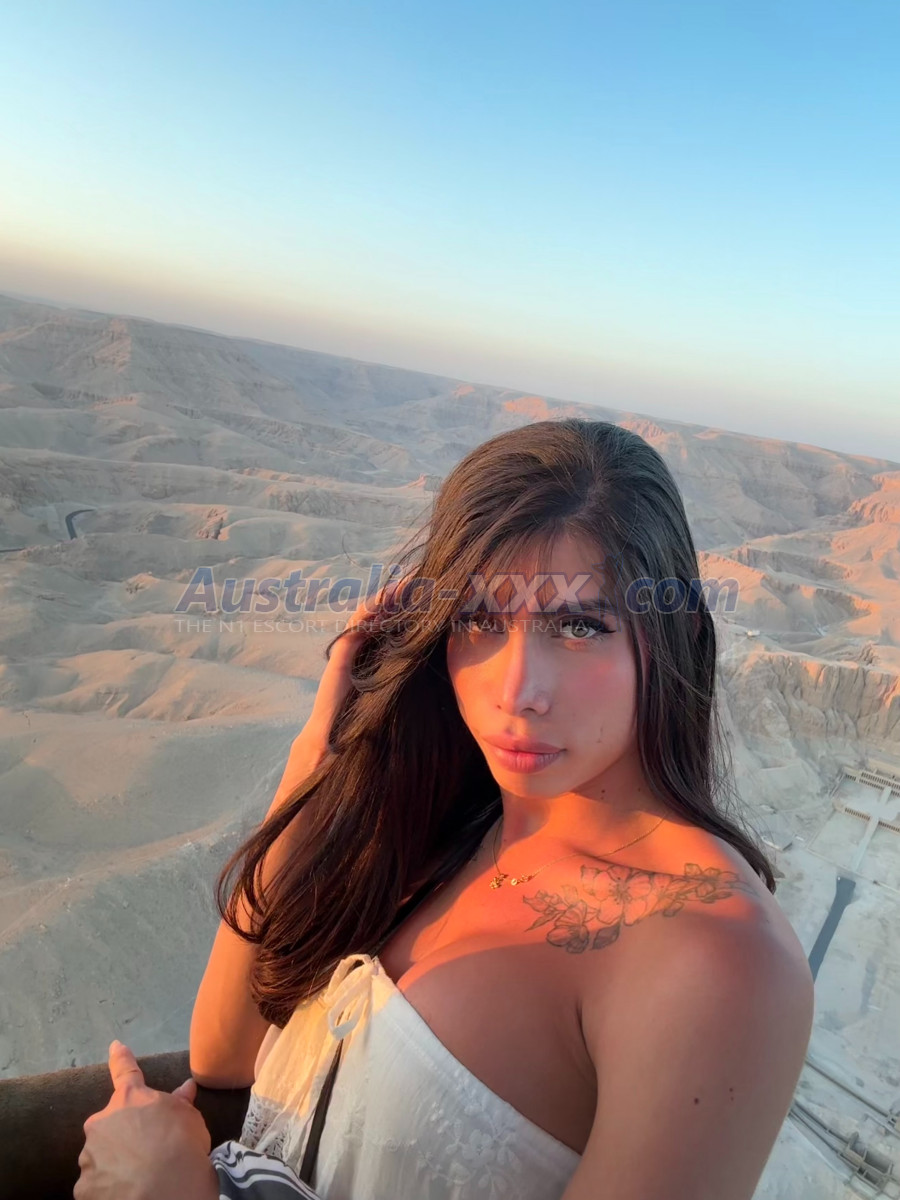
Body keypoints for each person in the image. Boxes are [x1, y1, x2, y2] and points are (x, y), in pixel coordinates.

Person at [76, 418, 814, 1200]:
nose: (517, 692)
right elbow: (224, 1051)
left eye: (578, 626)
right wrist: (321, 753)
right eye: (479, 620)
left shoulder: (712, 960)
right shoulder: (440, 821)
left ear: (676, 636)